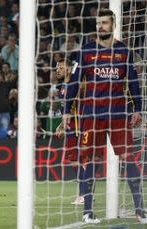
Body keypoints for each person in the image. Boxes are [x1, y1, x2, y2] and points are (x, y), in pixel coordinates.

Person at [63, 9, 147, 224]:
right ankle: (88, 211)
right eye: (98, 23)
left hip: (119, 114)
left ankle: (139, 209)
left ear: (113, 24)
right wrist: (66, 110)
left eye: (104, 23)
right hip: (92, 115)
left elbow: (133, 82)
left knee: (128, 158)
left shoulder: (124, 51)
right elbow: (74, 82)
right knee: (91, 161)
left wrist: (137, 108)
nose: (100, 26)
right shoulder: (86, 51)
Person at [54, 58, 86, 205]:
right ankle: (85, 192)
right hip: (70, 127)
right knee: (74, 161)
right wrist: (61, 125)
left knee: (79, 160)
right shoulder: (61, 87)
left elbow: (76, 106)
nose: (57, 70)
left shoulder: (77, 84)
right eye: (56, 68)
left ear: (68, 69)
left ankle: (83, 194)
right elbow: (66, 109)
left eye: (60, 68)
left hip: (80, 126)